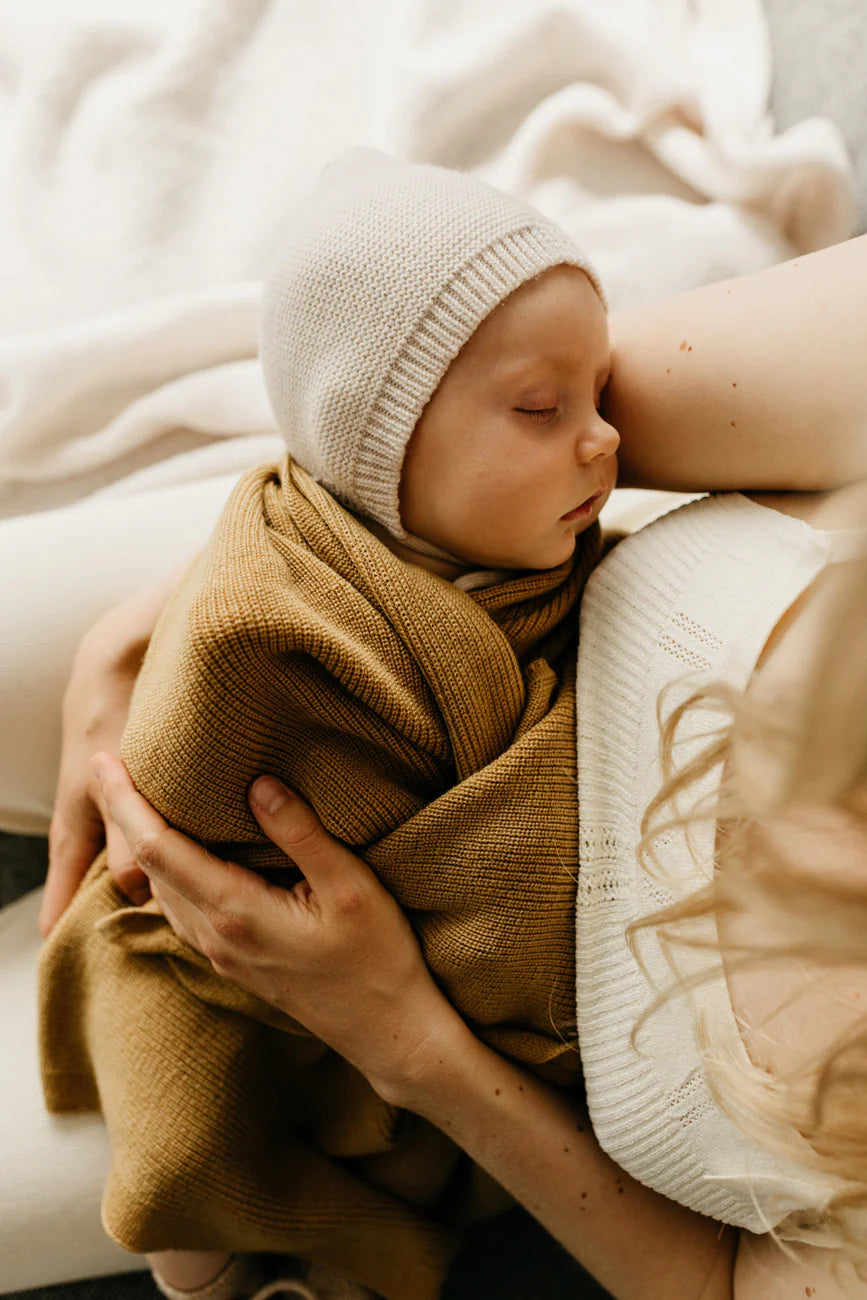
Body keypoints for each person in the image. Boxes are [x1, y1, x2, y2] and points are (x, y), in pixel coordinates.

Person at [44, 234, 867, 1299]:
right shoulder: (535, 444)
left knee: (141, 1179)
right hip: (390, 559)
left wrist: (405, 1042)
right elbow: (474, 398)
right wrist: (194, 613)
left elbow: (719, 1283)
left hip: (397, 1041)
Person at [38, 150, 618, 1300]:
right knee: (183, 1166)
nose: (604, 439)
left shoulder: (546, 564)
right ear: (378, 452)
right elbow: (179, 811)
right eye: (545, 409)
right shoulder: (260, 624)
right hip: (203, 937)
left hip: (389, 1005)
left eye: (602, 394)